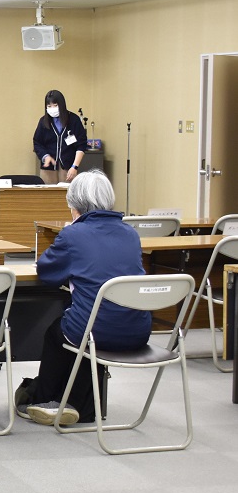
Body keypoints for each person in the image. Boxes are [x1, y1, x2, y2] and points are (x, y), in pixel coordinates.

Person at [15, 170, 148, 426]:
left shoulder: (73, 235)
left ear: (73, 204)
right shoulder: (130, 234)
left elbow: (47, 272)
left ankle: (44, 397)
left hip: (94, 331)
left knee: (61, 331)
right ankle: (80, 404)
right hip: (138, 329)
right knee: (87, 325)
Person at [33, 89, 87, 184]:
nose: (52, 108)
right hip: (48, 169)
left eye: (55, 105)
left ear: (61, 105)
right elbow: (37, 143)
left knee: (67, 196)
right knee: (48, 197)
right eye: (49, 106)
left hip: (68, 168)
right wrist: (45, 156)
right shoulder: (43, 121)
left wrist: (74, 167)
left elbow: (81, 145)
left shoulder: (74, 120)